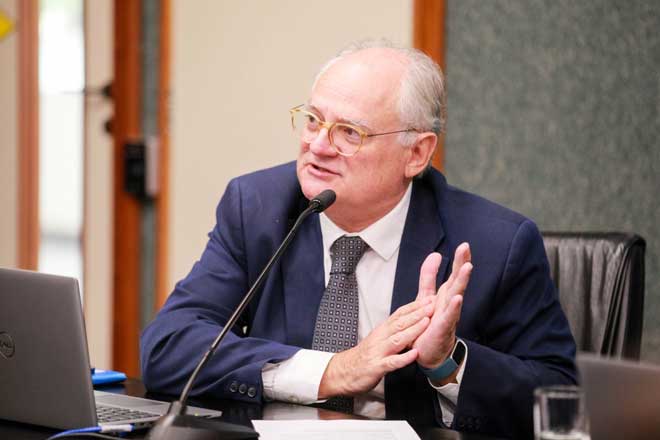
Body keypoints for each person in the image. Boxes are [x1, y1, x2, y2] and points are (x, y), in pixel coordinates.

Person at [140, 40, 576, 439]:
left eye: (350, 132)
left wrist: (447, 363)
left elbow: (560, 397)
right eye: (313, 121)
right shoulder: (256, 207)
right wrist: (331, 371)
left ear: (417, 154)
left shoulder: (497, 244)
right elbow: (168, 347)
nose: (318, 146)